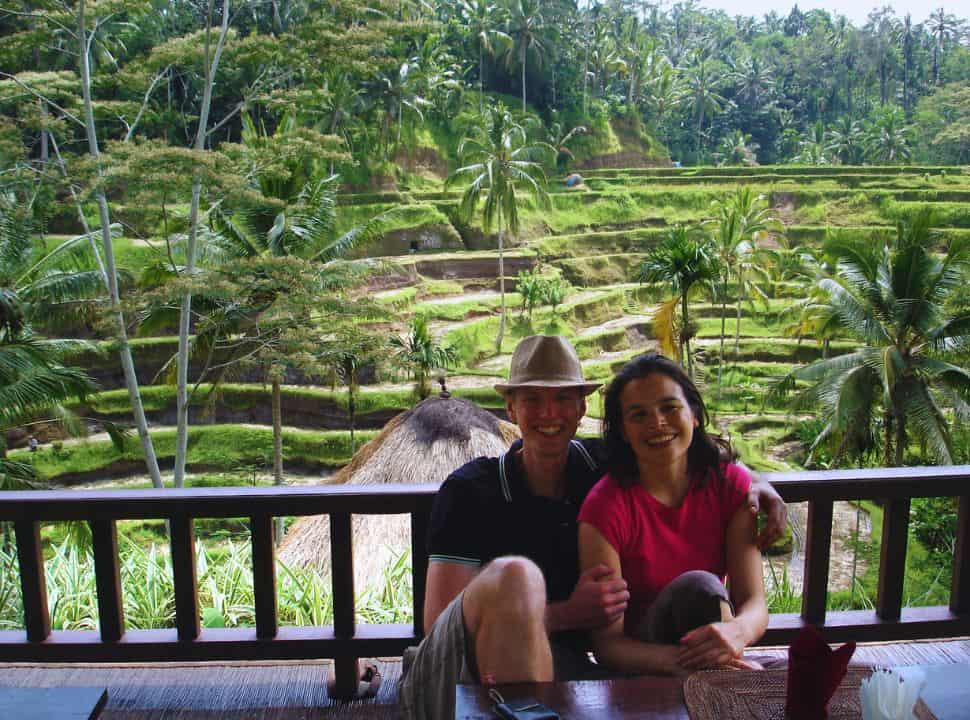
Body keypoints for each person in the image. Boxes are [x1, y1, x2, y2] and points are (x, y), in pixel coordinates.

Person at [398, 336, 785, 720]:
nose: (549, 413)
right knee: (516, 577)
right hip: (455, 681)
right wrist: (568, 614)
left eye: (563, 399)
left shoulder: (603, 470)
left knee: (696, 590)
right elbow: (439, 625)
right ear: (511, 409)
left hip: (562, 670)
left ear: (582, 407)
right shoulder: (470, 491)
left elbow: (679, 450)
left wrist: (754, 482)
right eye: (533, 399)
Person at [578, 353, 768, 675]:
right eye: (638, 415)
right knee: (700, 587)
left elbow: (754, 603)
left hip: (716, 646)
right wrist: (698, 664)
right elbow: (609, 646)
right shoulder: (606, 508)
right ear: (623, 431)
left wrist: (737, 632)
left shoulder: (730, 486)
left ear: (694, 414)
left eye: (669, 408)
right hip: (645, 666)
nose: (657, 423)